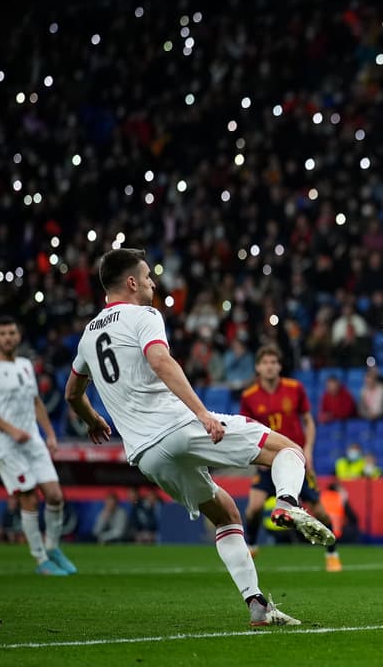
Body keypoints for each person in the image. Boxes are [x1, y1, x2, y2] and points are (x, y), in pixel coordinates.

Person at [65, 248, 334, 627]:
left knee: (225, 513)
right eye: (147, 277)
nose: (152, 283)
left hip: (144, 455)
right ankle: (288, 501)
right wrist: (202, 413)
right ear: (131, 283)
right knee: (288, 451)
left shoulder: (87, 338)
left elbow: (72, 394)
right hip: (176, 427)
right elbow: (160, 360)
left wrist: (93, 418)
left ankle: (257, 605)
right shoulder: (144, 316)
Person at [0, 315, 78, 575]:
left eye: (12, 332)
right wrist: (12, 430)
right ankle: (40, 559)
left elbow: (36, 402)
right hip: (8, 445)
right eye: (3, 334)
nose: (8, 337)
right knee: (29, 498)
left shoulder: (25, 365)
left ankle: (53, 547)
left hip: (33, 440)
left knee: (55, 496)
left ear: (18, 336)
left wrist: (50, 435)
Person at [238, 345, 341, 571]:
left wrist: (309, 450)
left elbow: (308, 421)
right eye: (265, 362)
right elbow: (246, 430)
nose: (270, 367)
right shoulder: (249, 396)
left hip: (295, 462)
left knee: (320, 511)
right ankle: (253, 546)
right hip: (268, 462)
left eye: (274, 362)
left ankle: (332, 553)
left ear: (280, 366)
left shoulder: (295, 388)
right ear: (257, 367)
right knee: (253, 509)